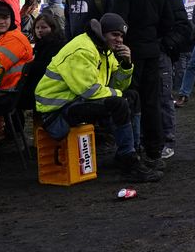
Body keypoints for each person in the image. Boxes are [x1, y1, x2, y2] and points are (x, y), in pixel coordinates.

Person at [34, 13, 157, 182]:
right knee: (120, 102)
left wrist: (126, 64)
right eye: (115, 34)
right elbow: (90, 91)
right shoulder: (83, 49)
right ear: (103, 32)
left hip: (74, 100)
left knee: (132, 96)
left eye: (121, 36)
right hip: (56, 111)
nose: (120, 40)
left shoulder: (104, 50)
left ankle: (132, 154)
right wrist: (120, 96)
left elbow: (118, 86)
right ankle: (129, 165)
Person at [111, 0, 175, 172]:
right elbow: (169, 21)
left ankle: (129, 149)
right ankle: (154, 151)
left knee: (127, 99)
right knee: (152, 101)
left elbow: (118, 24)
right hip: (153, 50)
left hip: (130, 52)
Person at [144, 0, 191, 160]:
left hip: (159, 51)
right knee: (155, 97)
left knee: (163, 96)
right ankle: (156, 140)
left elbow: (182, 24)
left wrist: (166, 45)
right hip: (155, 50)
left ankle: (167, 139)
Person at [16, 11, 65, 128]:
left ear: (52, 28)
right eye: (37, 27)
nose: (39, 30)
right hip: (41, 86)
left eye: (44, 27)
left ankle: (16, 132)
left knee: (14, 100)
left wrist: (29, 65)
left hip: (48, 89)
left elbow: (44, 67)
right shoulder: (41, 44)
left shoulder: (54, 45)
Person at [0, 0, 33, 92]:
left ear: (11, 19)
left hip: (6, 93)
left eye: (5, 17)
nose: (1, 21)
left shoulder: (14, 39)